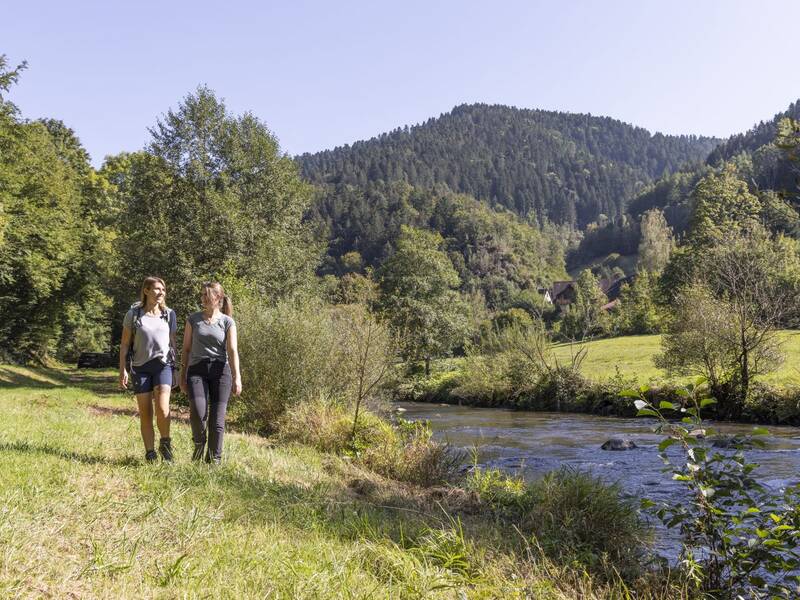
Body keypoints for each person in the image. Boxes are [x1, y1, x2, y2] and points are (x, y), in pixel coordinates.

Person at [180, 282, 242, 463]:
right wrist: (182, 374)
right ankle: (199, 446)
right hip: (197, 371)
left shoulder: (227, 322)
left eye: (208, 295)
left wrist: (237, 377)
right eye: (202, 295)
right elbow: (186, 349)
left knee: (217, 421)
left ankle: (214, 460)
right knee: (198, 415)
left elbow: (232, 351)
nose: (203, 298)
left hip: (221, 371)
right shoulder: (193, 319)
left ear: (218, 298)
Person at [119, 276, 178, 462]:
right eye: (157, 289)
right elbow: (124, 345)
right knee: (145, 413)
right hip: (140, 367)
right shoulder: (134, 315)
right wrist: (123, 369)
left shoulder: (169, 314)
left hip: (163, 366)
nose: (161, 292)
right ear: (146, 291)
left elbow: (173, 343)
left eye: (163, 290)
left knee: (162, 408)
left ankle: (165, 445)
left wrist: (176, 368)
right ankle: (150, 453)